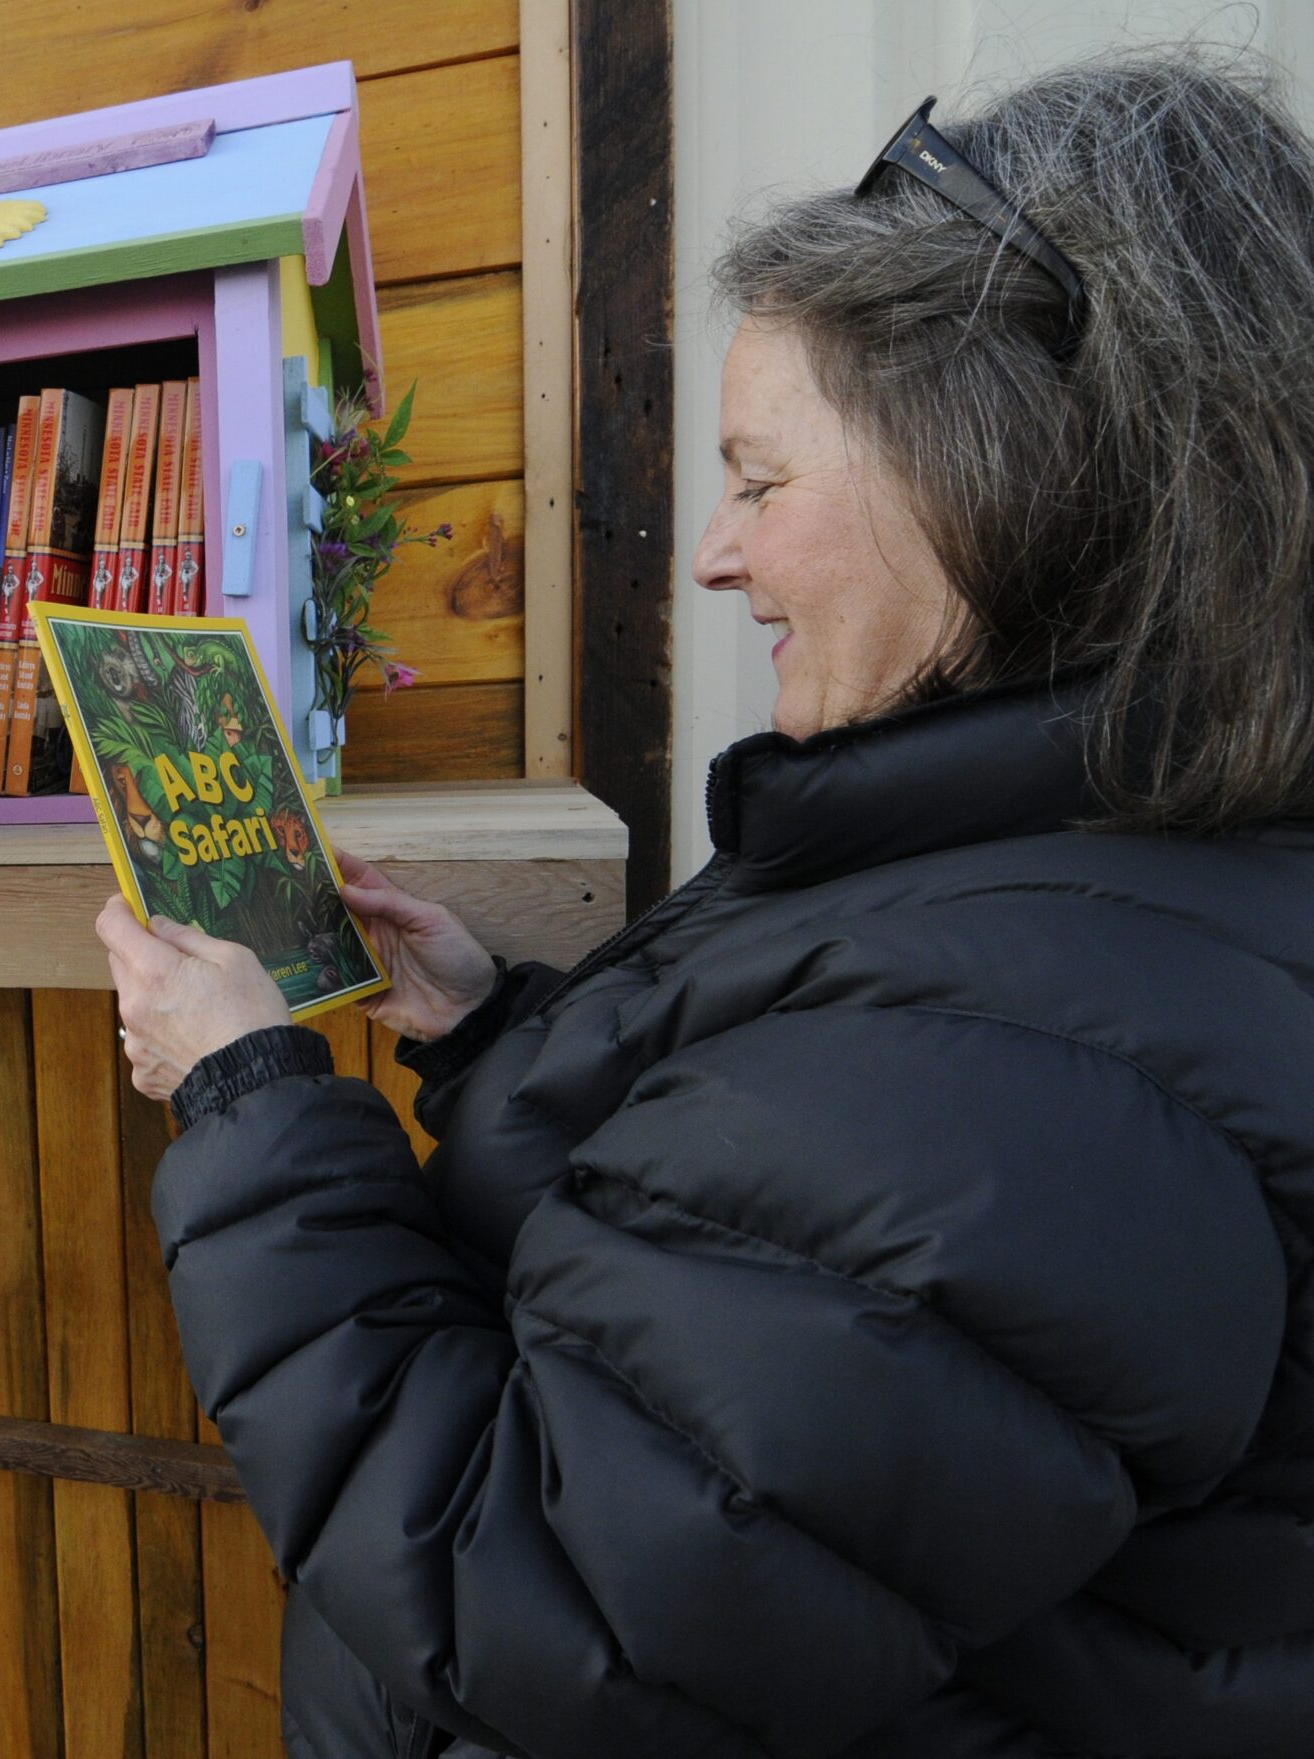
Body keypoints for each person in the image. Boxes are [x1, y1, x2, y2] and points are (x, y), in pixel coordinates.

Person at [99, 51, 1314, 1759]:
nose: (716, 556)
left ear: (996, 478)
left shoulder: (1009, 1071)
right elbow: (757, 1229)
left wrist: (247, 1112)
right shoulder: (1043, 849)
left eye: (759, 480)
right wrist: (489, 1028)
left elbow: (536, 1595)